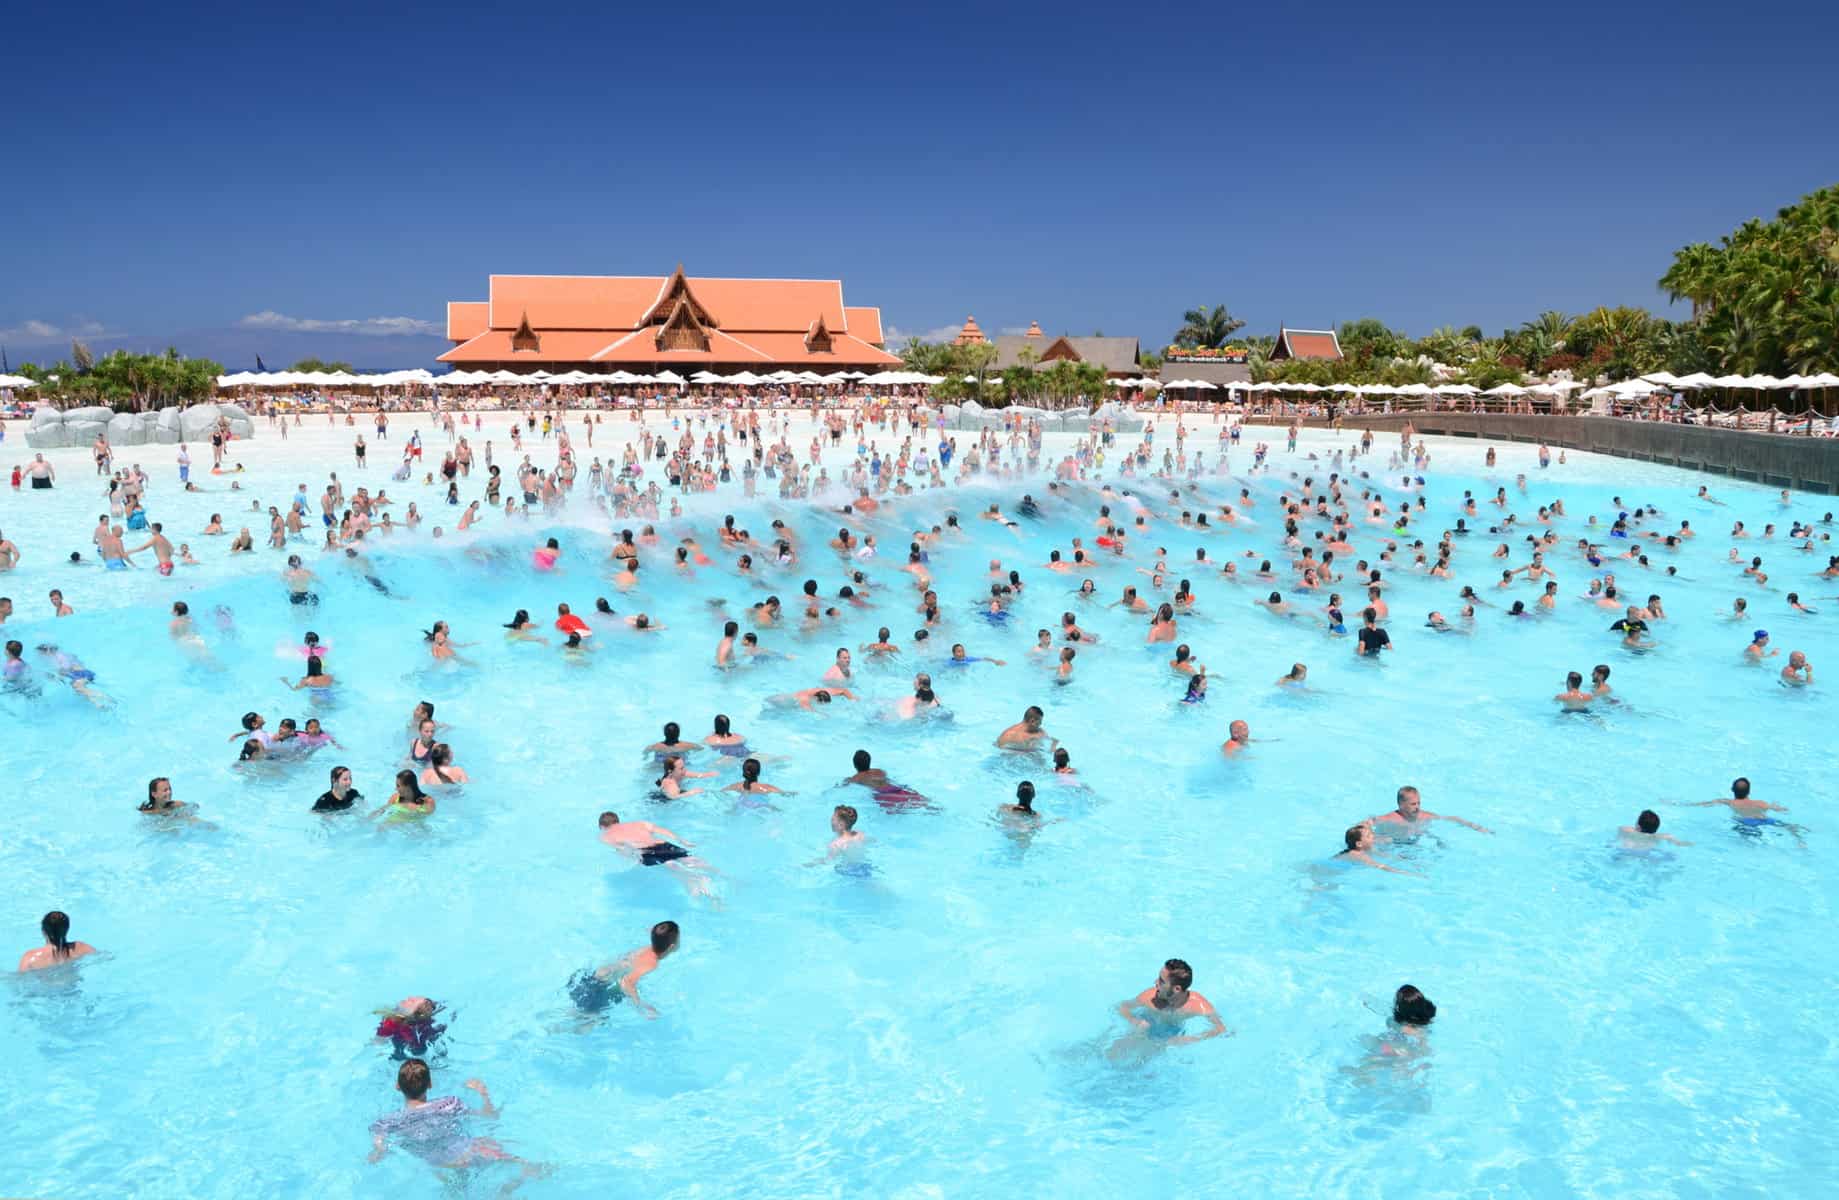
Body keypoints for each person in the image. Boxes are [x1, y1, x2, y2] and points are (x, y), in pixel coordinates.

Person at [368, 1059, 541, 1183]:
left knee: (457, 1187)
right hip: (466, 1154)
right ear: (430, 1084)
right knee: (500, 1149)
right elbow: (490, 1117)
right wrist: (483, 1093)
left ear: (397, 1086)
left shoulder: (389, 1121)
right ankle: (529, 1172)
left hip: (440, 1166)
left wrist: (378, 1151)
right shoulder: (450, 1104)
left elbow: (379, 1146)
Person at [567, 920, 681, 1020]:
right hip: (598, 992)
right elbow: (626, 983)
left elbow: (655, 932)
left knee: (575, 1012)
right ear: (671, 947)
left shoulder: (646, 949)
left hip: (588, 977)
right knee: (587, 1024)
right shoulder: (651, 963)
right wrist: (641, 1006)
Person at [1113, 958, 1229, 1048]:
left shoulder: (1197, 1005)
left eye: (1161, 981)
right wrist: (1134, 1021)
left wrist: (1191, 1039)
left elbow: (1221, 1029)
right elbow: (1121, 1006)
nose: (1155, 982)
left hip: (1170, 1034)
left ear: (1177, 989)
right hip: (1145, 1028)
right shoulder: (1149, 997)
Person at [597, 811, 716, 898]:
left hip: (645, 851)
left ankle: (697, 880)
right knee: (691, 860)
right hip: (663, 844)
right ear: (617, 821)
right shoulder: (639, 823)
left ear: (602, 826)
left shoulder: (606, 836)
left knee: (671, 866)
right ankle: (718, 873)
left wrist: (636, 858)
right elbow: (663, 831)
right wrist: (681, 840)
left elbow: (624, 850)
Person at [1370, 786, 1492, 835]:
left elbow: (1452, 819)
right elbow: (1369, 823)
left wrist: (1476, 827)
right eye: (1413, 804)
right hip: (1395, 843)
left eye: (1419, 803)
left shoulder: (1423, 816)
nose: (1417, 807)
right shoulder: (1392, 818)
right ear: (1401, 805)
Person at [18, 910, 97, 972]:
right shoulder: (81, 948)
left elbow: (21, 980)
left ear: (43, 931)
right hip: (72, 987)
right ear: (67, 929)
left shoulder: (30, 957)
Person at [1337, 823, 1411, 873]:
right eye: (1368, 836)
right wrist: (1403, 872)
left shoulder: (1368, 849)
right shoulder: (1359, 855)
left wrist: (1400, 858)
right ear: (1359, 844)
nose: (1372, 836)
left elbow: (1383, 855)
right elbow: (1381, 867)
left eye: (1371, 834)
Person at [1619, 809, 1690, 849]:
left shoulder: (1626, 830)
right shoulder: (1657, 837)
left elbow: (1620, 831)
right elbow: (1673, 839)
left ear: (1638, 827)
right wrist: (1680, 843)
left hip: (1629, 851)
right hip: (1647, 852)